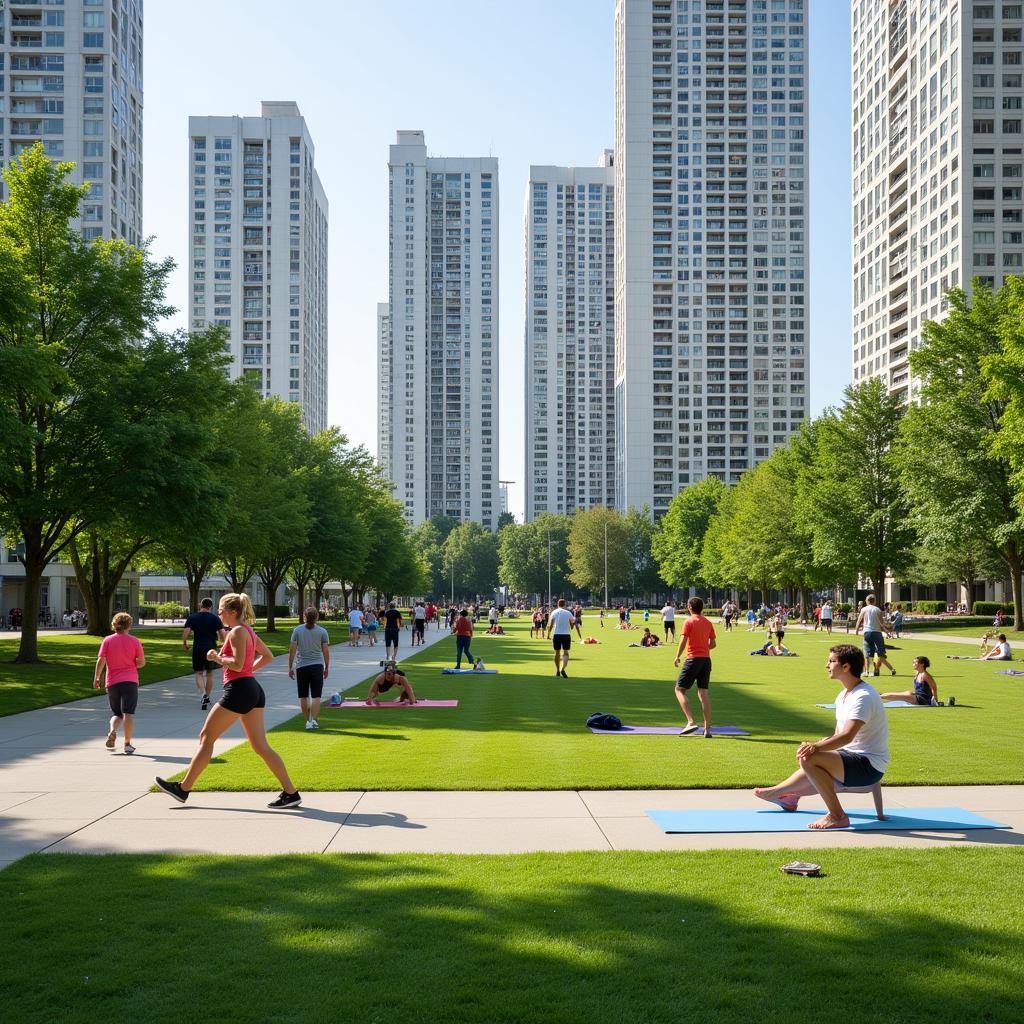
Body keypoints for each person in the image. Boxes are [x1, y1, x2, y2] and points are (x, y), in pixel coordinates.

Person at [155, 592, 301, 809]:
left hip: (239, 690)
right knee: (261, 746)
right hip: (252, 689)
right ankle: (291, 793)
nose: (219, 613)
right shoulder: (247, 631)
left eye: (221, 610)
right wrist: (245, 670)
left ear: (233, 612)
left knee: (207, 736)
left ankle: (183, 789)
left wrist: (216, 657)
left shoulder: (236, 633)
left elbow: (238, 664)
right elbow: (267, 656)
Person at [754, 644, 889, 829]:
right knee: (808, 754)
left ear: (846, 667)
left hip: (868, 766)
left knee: (810, 757)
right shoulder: (844, 695)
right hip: (852, 758)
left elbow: (847, 736)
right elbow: (838, 735)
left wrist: (816, 747)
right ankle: (786, 796)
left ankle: (837, 815)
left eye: (832, 661)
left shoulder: (863, 696)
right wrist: (818, 743)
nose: (827, 665)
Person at [93, 612, 145, 755]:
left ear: (114, 624)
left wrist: (97, 677)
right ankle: (127, 744)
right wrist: (135, 663)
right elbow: (141, 663)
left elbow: (101, 660)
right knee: (128, 713)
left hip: (112, 681)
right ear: (129, 625)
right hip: (130, 680)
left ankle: (112, 731)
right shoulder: (135, 641)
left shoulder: (108, 640)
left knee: (117, 713)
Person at [672, 597, 716, 738]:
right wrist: (704, 647)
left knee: (679, 689)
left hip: (692, 659)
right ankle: (707, 729)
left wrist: (677, 656)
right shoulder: (708, 623)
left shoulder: (689, 621)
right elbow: (713, 644)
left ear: (690, 607)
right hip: (706, 660)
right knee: (703, 693)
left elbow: (683, 640)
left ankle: (691, 722)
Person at [288, 606, 330, 730]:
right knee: (316, 696)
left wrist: (290, 667)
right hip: (317, 666)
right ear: (317, 616)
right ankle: (314, 721)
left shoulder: (297, 630)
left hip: (301, 666)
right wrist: (327, 666)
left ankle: (307, 721)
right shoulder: (322, 631)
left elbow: (292, 651)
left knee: (303, 695)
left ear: (304, 616)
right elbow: (326, 652)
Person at [182, 598, 226, 711]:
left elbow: (186, 632)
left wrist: (185, 643)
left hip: (198, 647)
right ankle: (208, 695)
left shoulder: (193, 617)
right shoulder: (215, 618)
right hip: (211, 648)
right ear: (210, 606)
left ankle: (203, 695)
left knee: (198, 672)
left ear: (201, 605)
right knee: (210, 673)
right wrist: (223, 644)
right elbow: (222, 633)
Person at [855, 594, 896, 677]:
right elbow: (881, 623)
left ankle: (866, 671)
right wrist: (886, 631)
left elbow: (859, 620)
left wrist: (856, 630)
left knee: (868, 654)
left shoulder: (864, 609)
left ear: (867, 601)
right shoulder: (878, 610)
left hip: (867, 632)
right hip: (877, 633)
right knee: (880, 654)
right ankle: (885, 669)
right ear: (874, 601)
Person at [546, 597, 576, 677]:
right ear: (564, 604)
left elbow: (550, 625)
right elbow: (572, 626)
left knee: (557, 653)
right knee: (565, 653)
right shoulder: (568, 613)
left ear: (557, 604)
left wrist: (548, 635)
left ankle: (557, 671)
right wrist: (571, 623)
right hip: (566, 635)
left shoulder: (554, 612)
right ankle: (563, 669)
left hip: (557, 634)